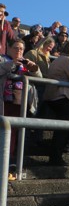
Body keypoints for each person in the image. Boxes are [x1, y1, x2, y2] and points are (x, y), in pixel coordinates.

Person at [0, 40, 42, 174]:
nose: (19, 51)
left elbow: (39, 77)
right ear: (9, 48)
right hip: (4, 101)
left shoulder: (25, 62)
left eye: (21, 49)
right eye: (16, 48)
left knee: (13, 133)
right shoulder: (2, 58)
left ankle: (8, 161)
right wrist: (12, 63)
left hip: (20, 102)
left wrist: (33, 67)